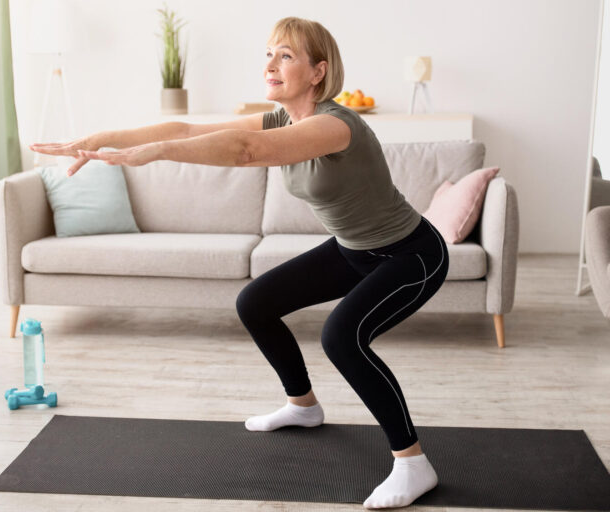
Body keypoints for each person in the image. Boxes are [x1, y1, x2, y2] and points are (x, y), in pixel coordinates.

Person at [30, 15, 448, 510]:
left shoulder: (336, 125)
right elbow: (185, 126)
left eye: (286, 55)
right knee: (256, 302)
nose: (270, 64)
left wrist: (156, 153)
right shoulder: (282, 118)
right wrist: (101, 139)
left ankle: (412, 463)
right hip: (352, 249)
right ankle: (302, 406)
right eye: (268, 53)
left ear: (318, 71)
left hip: (410, 254)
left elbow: (248, 152)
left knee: (342, 337)